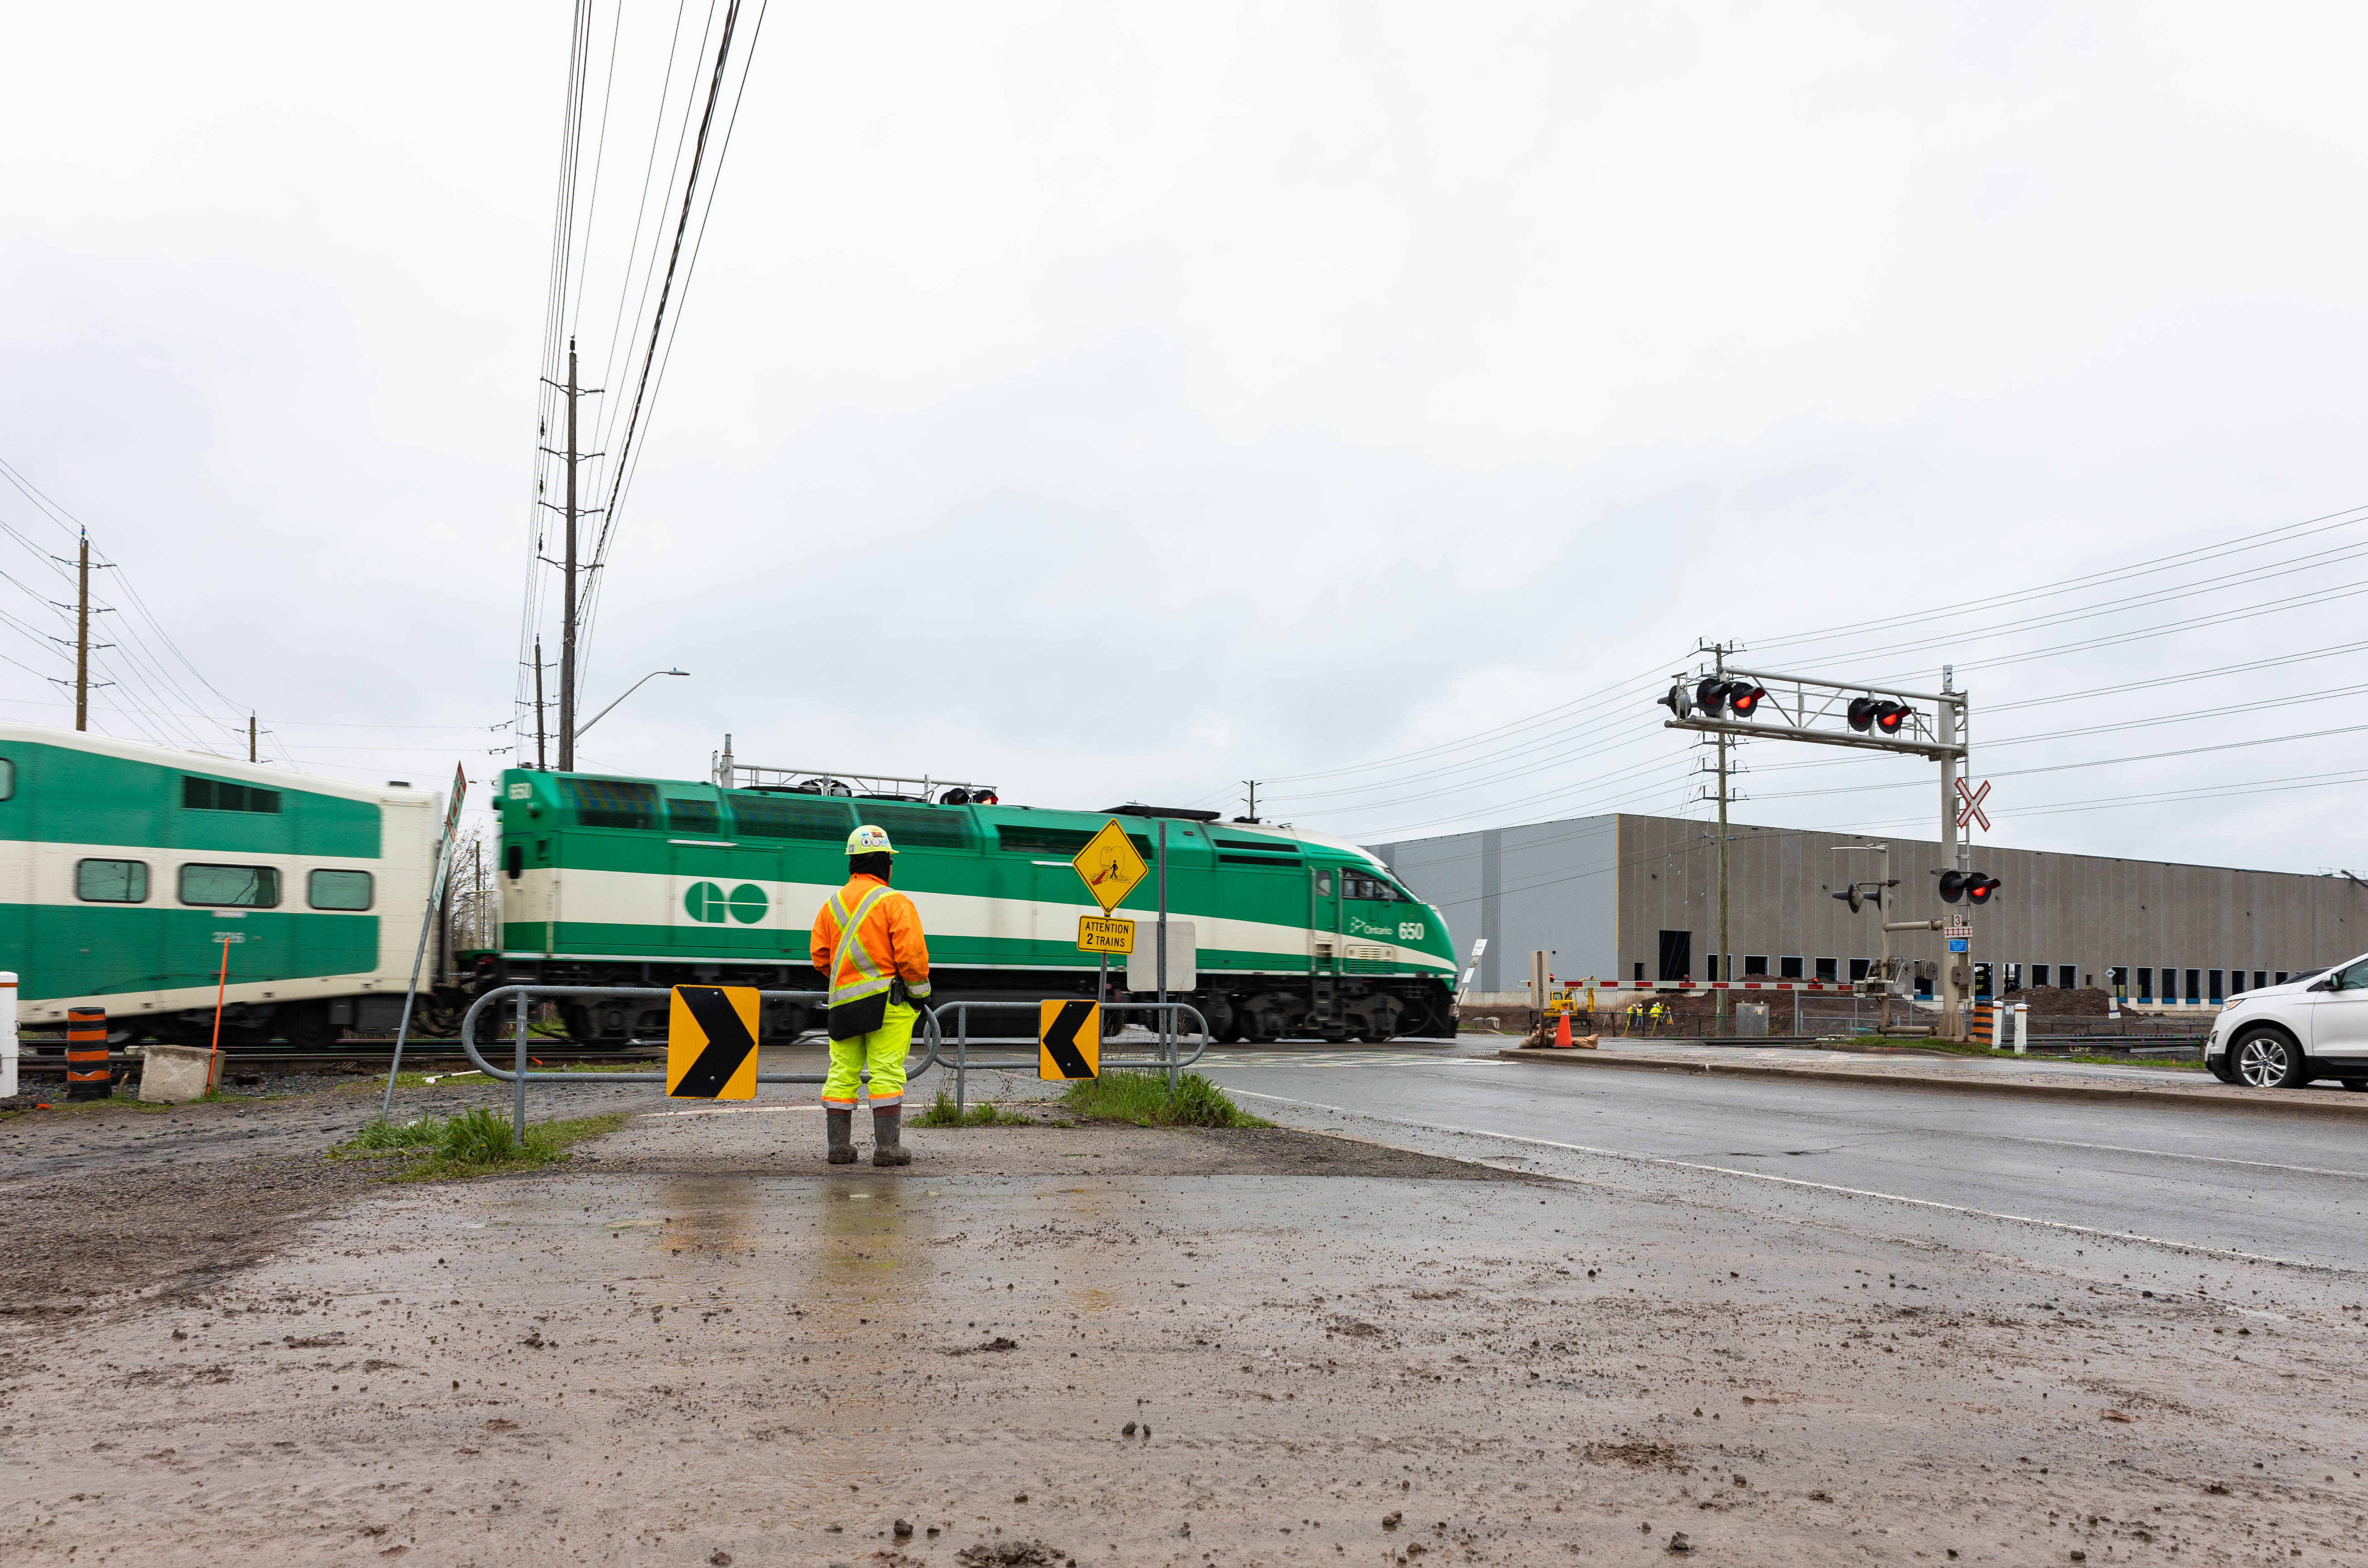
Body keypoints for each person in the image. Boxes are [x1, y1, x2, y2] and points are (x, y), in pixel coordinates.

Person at [810, 824, 933, 1166]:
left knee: (842, 1073)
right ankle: (887, 1150)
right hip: (888, 1005)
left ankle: (839, 1149)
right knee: (886, 1073)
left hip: (843, 1005)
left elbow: (820, 956)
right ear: (883, 862)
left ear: (853, 863)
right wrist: (919, 994)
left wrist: (849, 980)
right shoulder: (894, 902)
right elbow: (912, 957)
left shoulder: (831, 904)